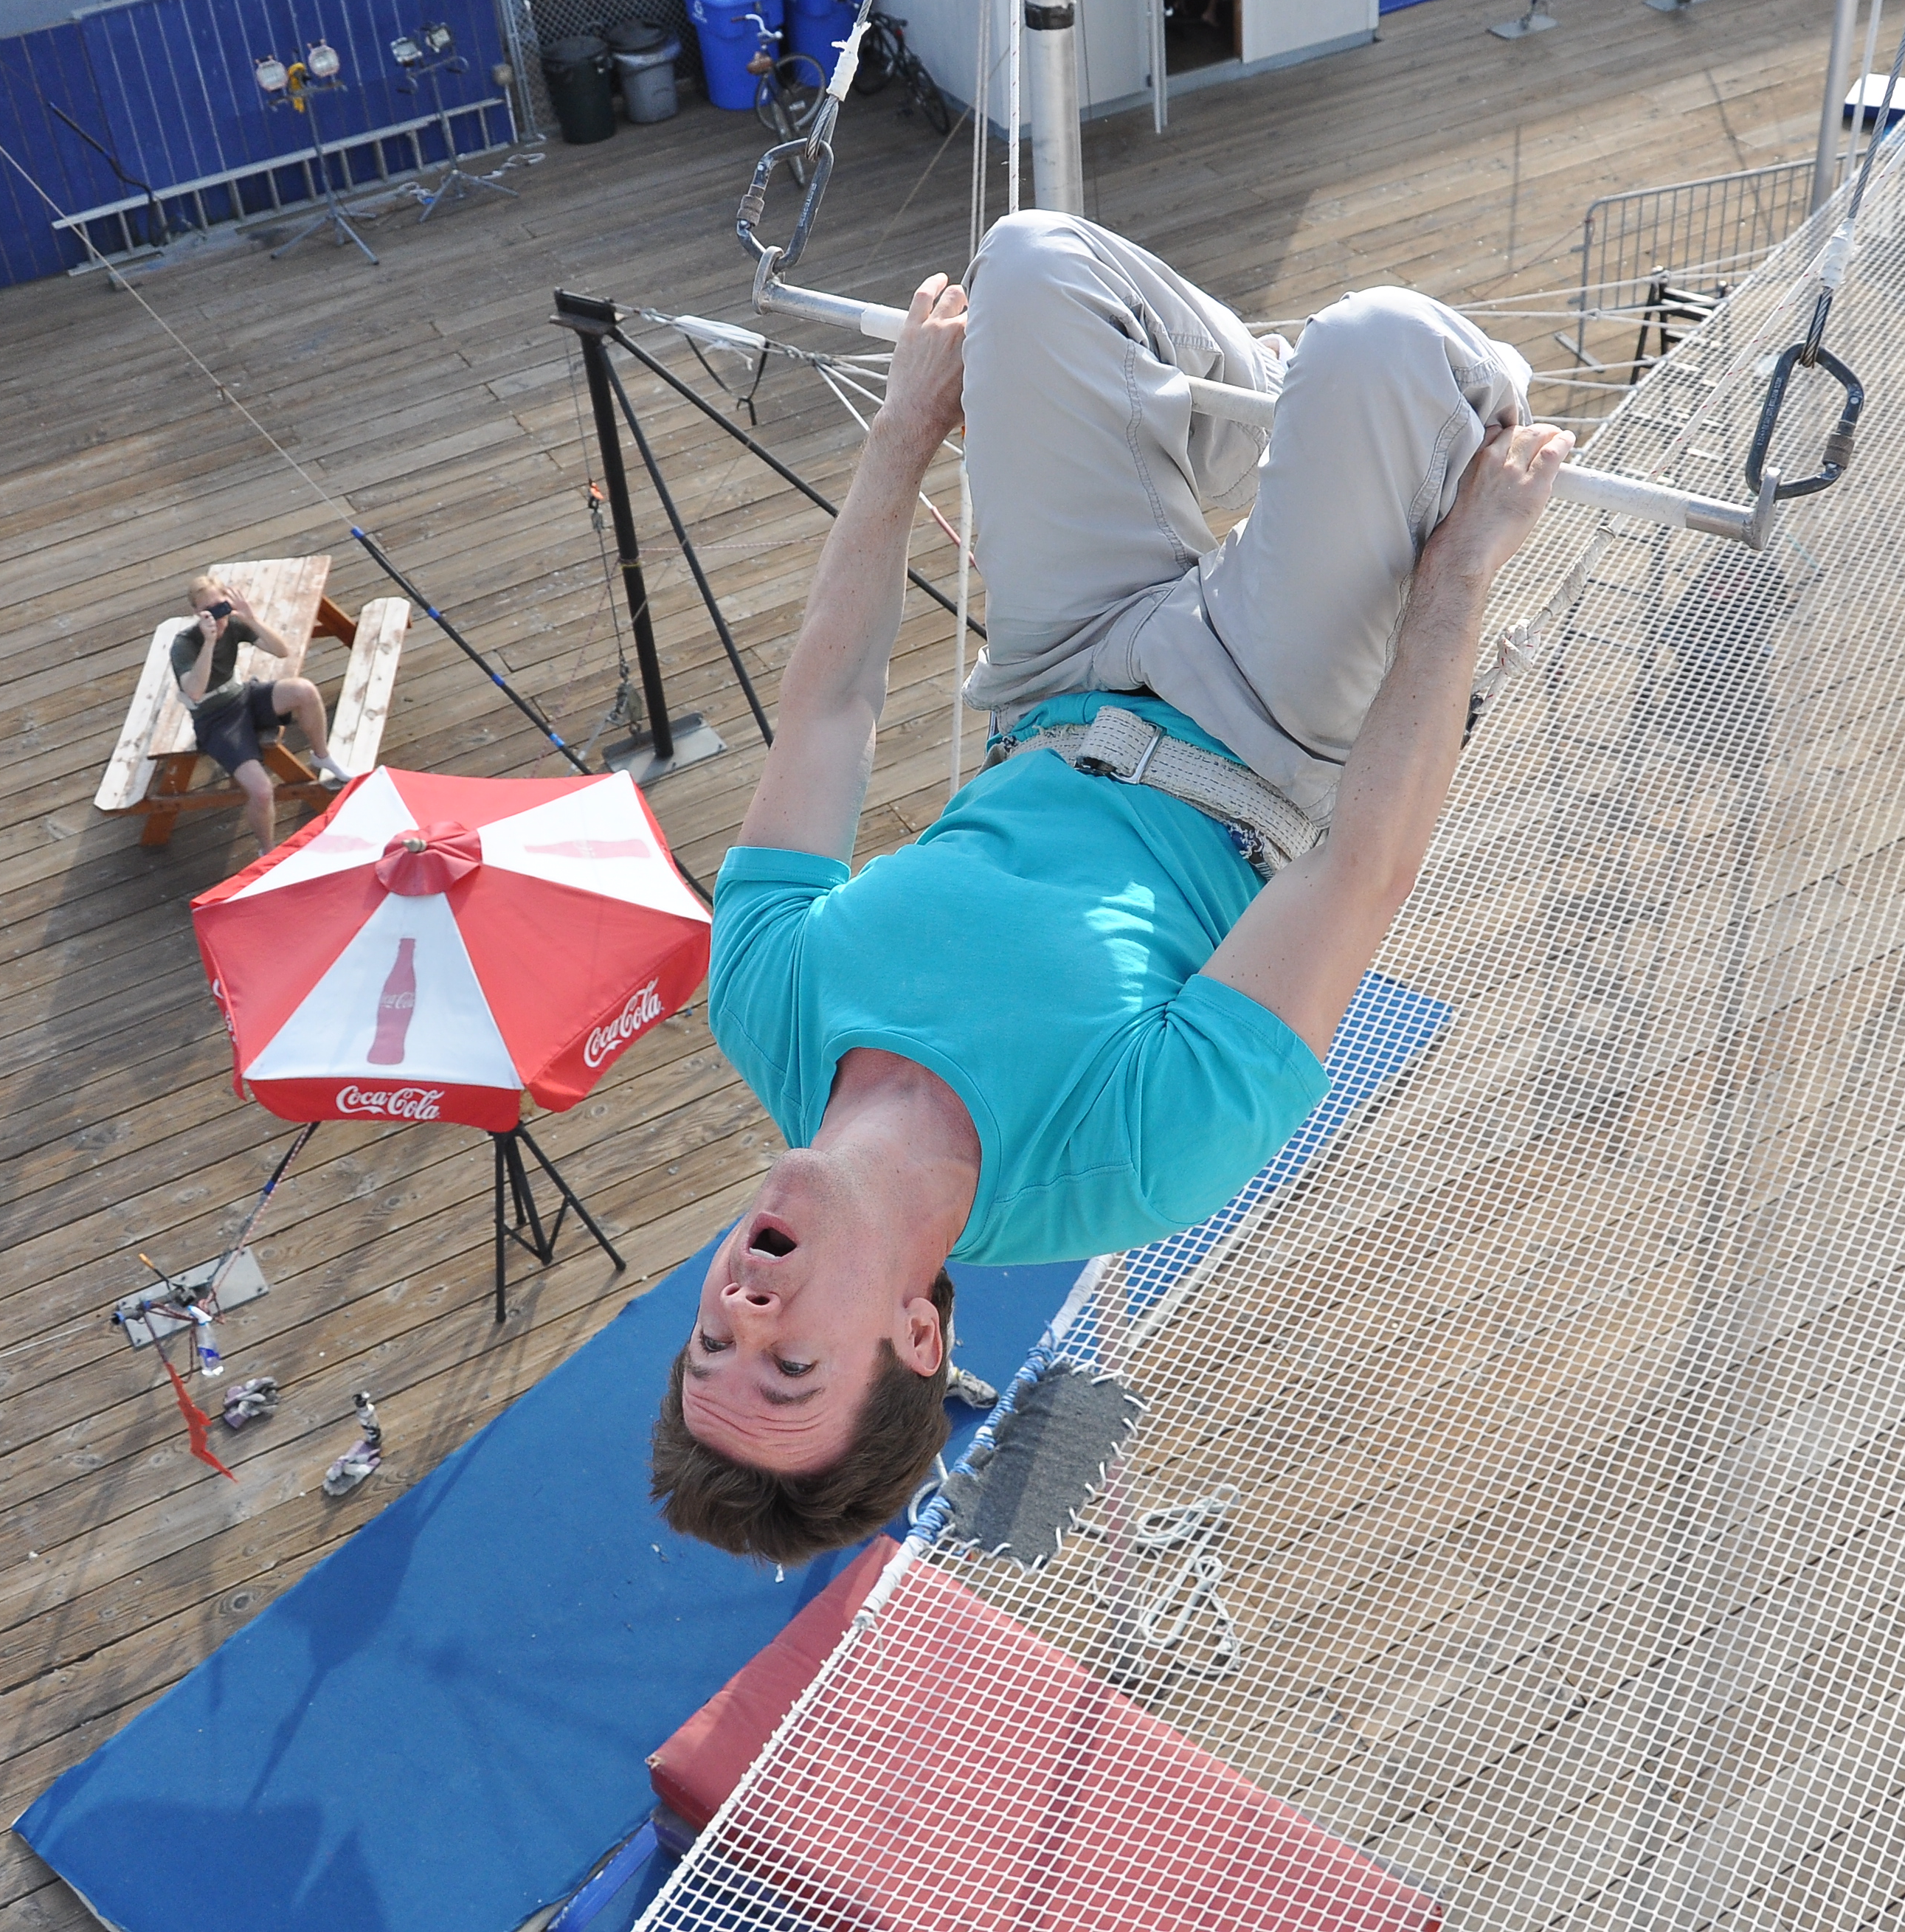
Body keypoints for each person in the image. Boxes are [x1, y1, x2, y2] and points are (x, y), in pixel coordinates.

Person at [651, 212, 1572, 1561]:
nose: (744, 1304)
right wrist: (1459, 574)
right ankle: (1357, 441)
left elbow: (828, 712)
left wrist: (908, 424)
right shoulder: (1135, 1163)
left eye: (708, 1343)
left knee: (1029, 267)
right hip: (1270, 734)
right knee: (1385, 349)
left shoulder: (764, 1009)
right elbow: (1360, 871)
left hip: (1052, 668)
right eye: (787, 1367)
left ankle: (1266, 420)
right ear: (919, 1333)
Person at [174, 575, 347, 849]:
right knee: (262, 790)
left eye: (221, 607)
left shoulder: (234, 625)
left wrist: (251, 619)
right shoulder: (186, 644)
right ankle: (266, 851)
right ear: (196, 612)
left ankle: (322, 756)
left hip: (242, 696)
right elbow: (194, 691)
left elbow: (281, 651)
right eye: (209, 611)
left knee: (304, 691)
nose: (218, 616)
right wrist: (208, 643)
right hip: (215, 720)